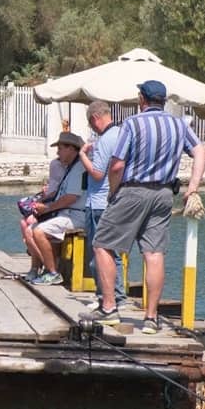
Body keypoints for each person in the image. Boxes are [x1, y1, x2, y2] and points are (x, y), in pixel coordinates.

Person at [86, 79, 205, 335]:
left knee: (102, 244)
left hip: (133, 190)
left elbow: (117, 166)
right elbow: (200, 152)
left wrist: (114, 191)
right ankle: (151, 318)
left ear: (142, 98)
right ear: (163, 100)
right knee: (154, 253)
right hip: (164, 193)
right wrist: (193, 187)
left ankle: (108, 308)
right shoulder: (179, 124)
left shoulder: (132, 123)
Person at [77, 100, 125, 308]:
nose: (92, 128)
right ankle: (118, 296)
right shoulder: (121, 134)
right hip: (113, 201)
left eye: (91, 124)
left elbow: (97, 174)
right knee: (111, 253)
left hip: (98, 202)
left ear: (96, 118)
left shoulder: (106, 139)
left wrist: (82, 156)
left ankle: (104, 297)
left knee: (98, 254)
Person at [20, 131, 85, 286]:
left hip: (76, 216)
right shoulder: (70, 167)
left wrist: (48, 208)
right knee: (32, 229)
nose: (58, 152)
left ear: (71, 149)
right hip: (68, 213)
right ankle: (39, 268)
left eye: (61, 148)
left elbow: (71, 198)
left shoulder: (78, 168)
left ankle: (53, 272)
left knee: (39, 231)